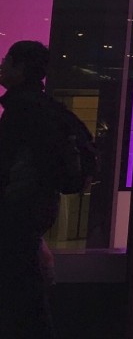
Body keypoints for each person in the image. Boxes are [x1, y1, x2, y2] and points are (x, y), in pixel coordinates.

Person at [0, 41, 62, 339]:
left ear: (20, 68)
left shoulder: (22, 109)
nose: (2, 66)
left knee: (22, 299)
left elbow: (10, 165)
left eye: (7, 61)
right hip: (32, 213)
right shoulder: (44, 107)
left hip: (18, 214)